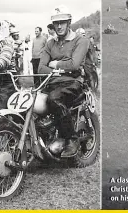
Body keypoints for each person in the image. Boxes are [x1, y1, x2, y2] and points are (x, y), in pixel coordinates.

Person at [38, 5, 90, 157]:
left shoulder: (81, 40)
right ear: (52, 25)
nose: (59, 26)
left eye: (62, 22)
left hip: (74, 82)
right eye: (56, 23)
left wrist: (55, 64)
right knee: (32, 101)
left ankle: (71, 139)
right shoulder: (50, 43)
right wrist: (60, 69)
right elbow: (40, 68)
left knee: (54, 99)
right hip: (53, 82)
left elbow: (74, 64)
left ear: (69, 22)